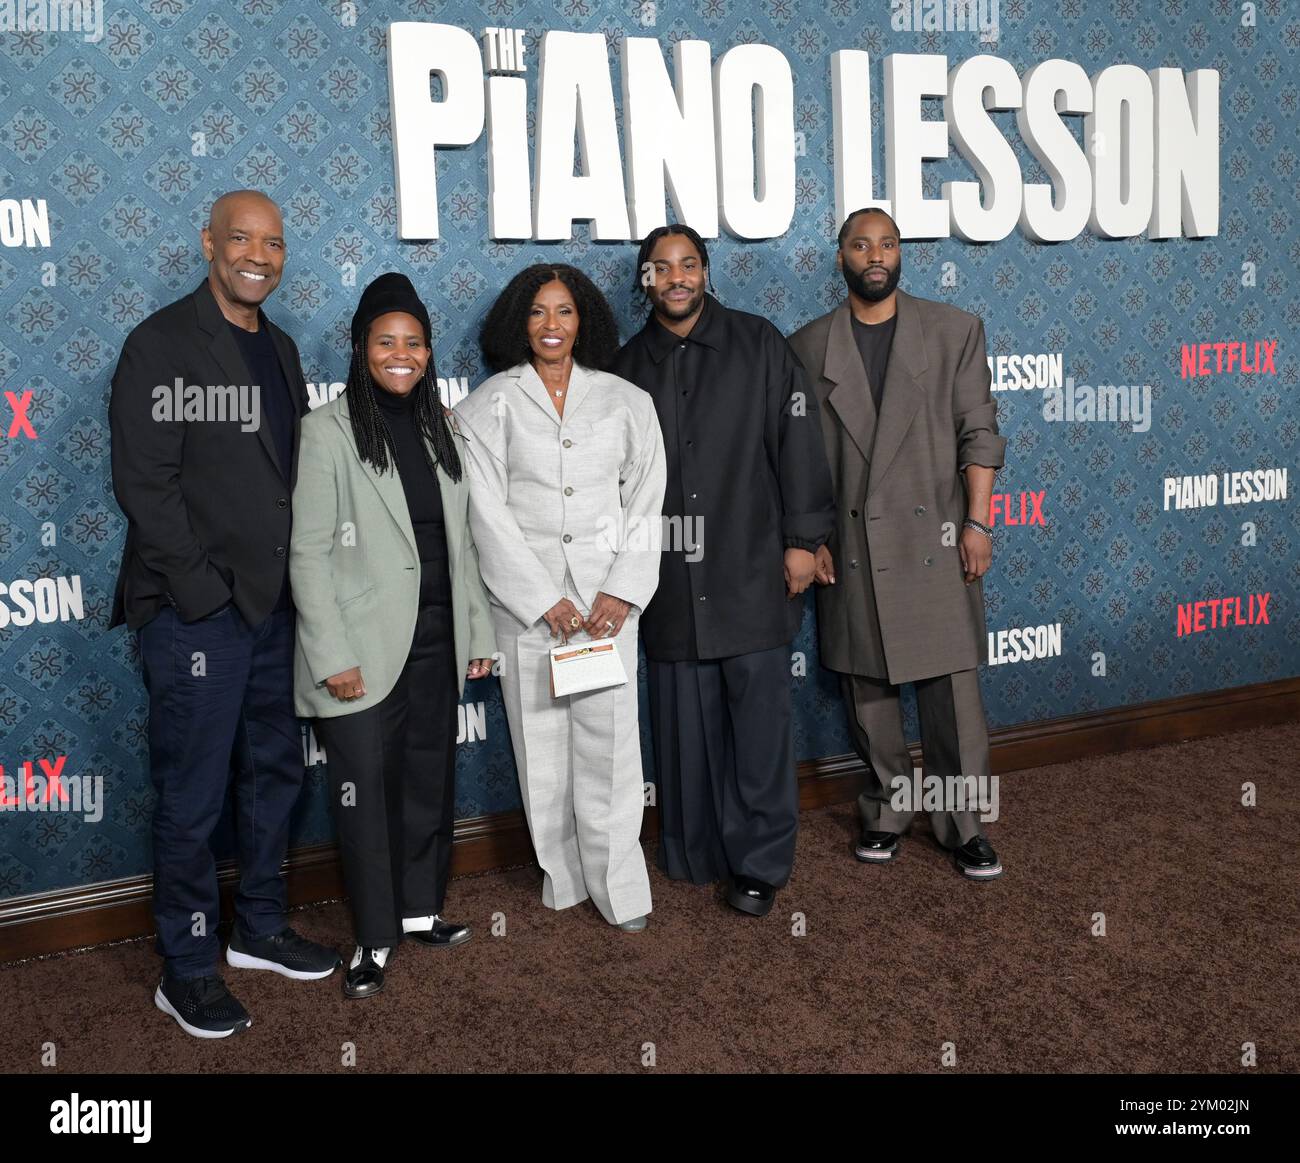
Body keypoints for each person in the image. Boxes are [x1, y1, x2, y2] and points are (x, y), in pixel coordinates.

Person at [109, 189, 340, 1040]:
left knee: (275, 774)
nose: (259, 255)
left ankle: (261, 926)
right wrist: (206, 594)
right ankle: (188, 966)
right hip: (195, 614)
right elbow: (146, 485)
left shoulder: (278, 348)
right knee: (194, 793)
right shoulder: (161, 343)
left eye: (273, 242)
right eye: (242, 238)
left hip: (274, 608)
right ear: (208, 242)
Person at [612, 225, 835, 918]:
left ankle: (760, 862)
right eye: (660, 268)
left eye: (688, 264)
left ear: (706, 272)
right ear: (644, 280)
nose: (675, 277)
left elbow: (798, 441)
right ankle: (693, 849)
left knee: (760, 731)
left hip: (750, 571)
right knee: (685, 729)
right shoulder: (622, 370)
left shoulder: (759, 342)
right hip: (671, 585)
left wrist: (804, 539)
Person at [290, 273, 496, 998]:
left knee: (426, 784)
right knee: (364, 798)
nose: (401, 354)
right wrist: (332, 654)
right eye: (386, 341)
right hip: (363, 650)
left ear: (429, 350)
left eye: (413, 342)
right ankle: (373, 937)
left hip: (438, 641)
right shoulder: (328, 431)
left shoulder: (442, 424)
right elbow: (308, 552)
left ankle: (417, 911)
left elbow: (460, 542)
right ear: (360, 347)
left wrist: (476, 629)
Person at [787, 206, 1006, 879]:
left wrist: (977, 522)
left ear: (900, 253)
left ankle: (962, 823)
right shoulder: (808, 345)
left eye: (886, 243)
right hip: (852, 545)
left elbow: (980, 431)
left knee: (953, 696)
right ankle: (886, 808)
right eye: (860, 244)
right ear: (841, 257)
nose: (874, 254)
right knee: (869, 690)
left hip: (938, 540)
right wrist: (810, 538)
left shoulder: (953, 330)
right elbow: (802, 460)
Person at [454, 264, 665, 932]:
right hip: (530, 613)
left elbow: (646, 502)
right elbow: (484, 513)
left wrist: (622, 592)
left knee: (611, 751)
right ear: (520, 321)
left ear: (586, 320)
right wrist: (543, 597)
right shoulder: (487, 405)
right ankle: (564, 876)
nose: (552, 325)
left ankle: (621, 886)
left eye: (565, 311)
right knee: (541, 752)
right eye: (539, 312)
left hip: (606, 610)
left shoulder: (626, 400)